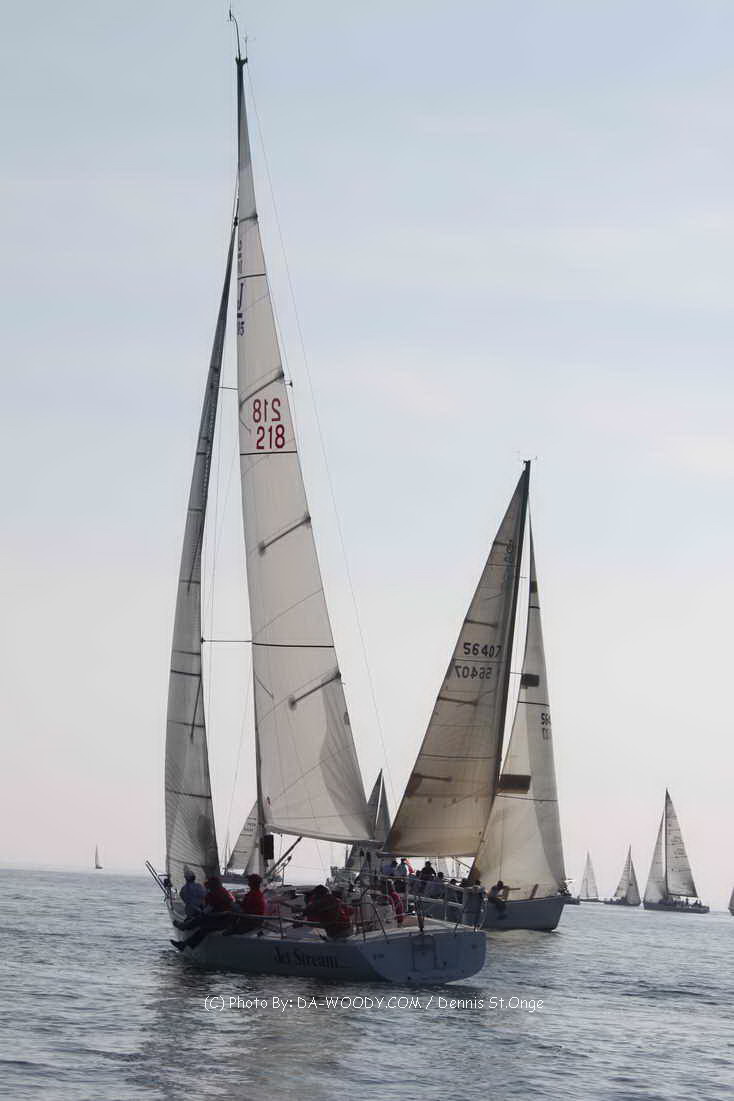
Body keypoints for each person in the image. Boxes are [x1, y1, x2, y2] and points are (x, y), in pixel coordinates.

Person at [171, 875, 235, 952]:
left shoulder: (215, 895)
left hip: (222, 921)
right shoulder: (224, 892)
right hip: (225, 919)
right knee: (202, 922)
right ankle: (184, 938)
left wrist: (200, 912)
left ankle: (184, 930)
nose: (208, 887)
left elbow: (207, 911)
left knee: (202, 922)